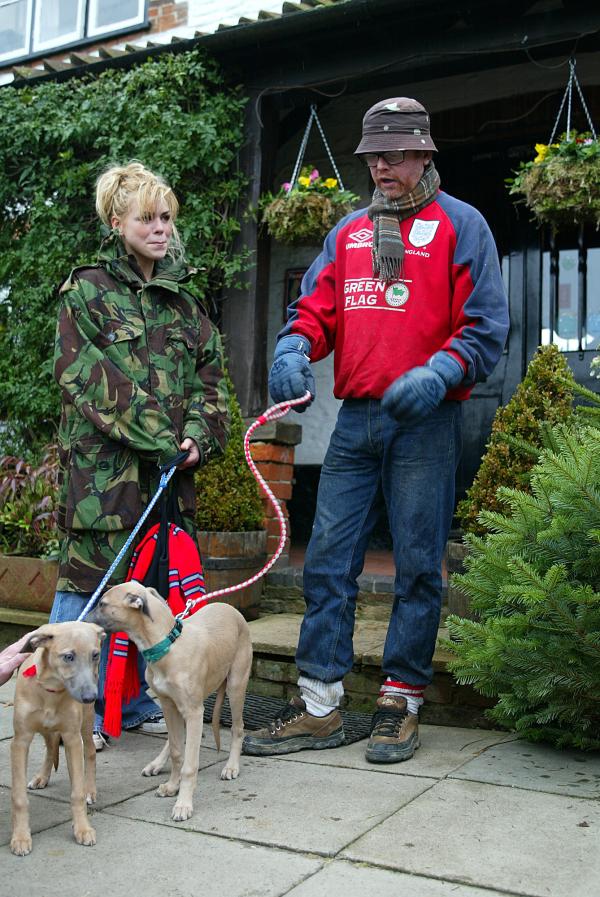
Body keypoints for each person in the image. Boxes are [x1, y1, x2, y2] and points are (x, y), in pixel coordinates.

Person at [243, 97, 509, 763]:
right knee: (329, 561)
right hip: (357, 419)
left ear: (424, 152)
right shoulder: (349, 233)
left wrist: (440, 373)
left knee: (418, 563)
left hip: (425, 420)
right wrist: (293, 348)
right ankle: (320, 705)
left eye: (393, 154)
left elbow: (485, 327)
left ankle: (400, 700)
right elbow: (316, 308)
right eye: (372, 156)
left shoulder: (462, 226)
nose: (381, 166)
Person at [50, 161, 229, 749]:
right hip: (104, 478)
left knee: (150, 590)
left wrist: (199, 438)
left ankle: (126, 709)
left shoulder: (185, 303)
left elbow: (211, 378)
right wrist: (162, 438)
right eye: (147, 218)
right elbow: (86, 376)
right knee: (90, 588)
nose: (160, 228)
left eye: (167, 217)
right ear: (116, 220)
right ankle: (58, 708)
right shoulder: (87, 291)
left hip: (168, 478)